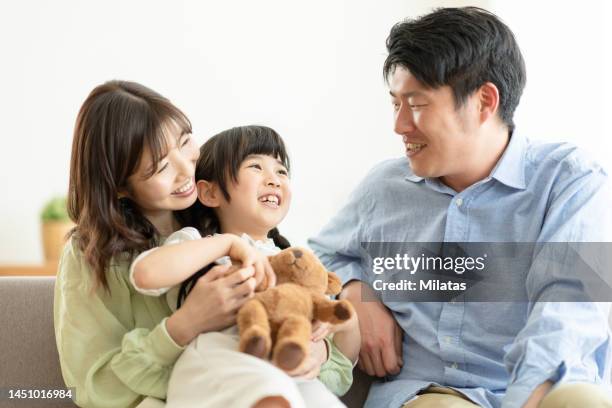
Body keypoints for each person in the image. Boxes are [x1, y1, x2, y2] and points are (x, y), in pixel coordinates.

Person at [309, 7, 612, 408]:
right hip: (431, 392)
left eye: (416, 104)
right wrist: (355, 290)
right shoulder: (383, 188)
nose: (399, 125)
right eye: (395, 103)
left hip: (543, 390)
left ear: (484, 101)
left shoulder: (570, 180)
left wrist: (527, 400)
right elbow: (317, 256)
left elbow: (568, 309)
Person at [54, 81, 274, 408]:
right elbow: (94, 387)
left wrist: (319, 349)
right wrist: (183, 325)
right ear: (120, 187)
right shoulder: (90, 255)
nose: (187, 170)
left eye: (185, 142)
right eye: (160, 167)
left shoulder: (217, 206)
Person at [131, 125, 360, 408]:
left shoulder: (296, 261)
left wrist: (326, 344)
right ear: (210, 193)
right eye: (256, 166)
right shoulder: (200, 243)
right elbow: (147, 273)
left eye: (281, 171)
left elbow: (345, 360)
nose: (274, 180)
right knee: (270, 391)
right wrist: (226, 244)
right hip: (218, 363)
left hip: (285, 368)